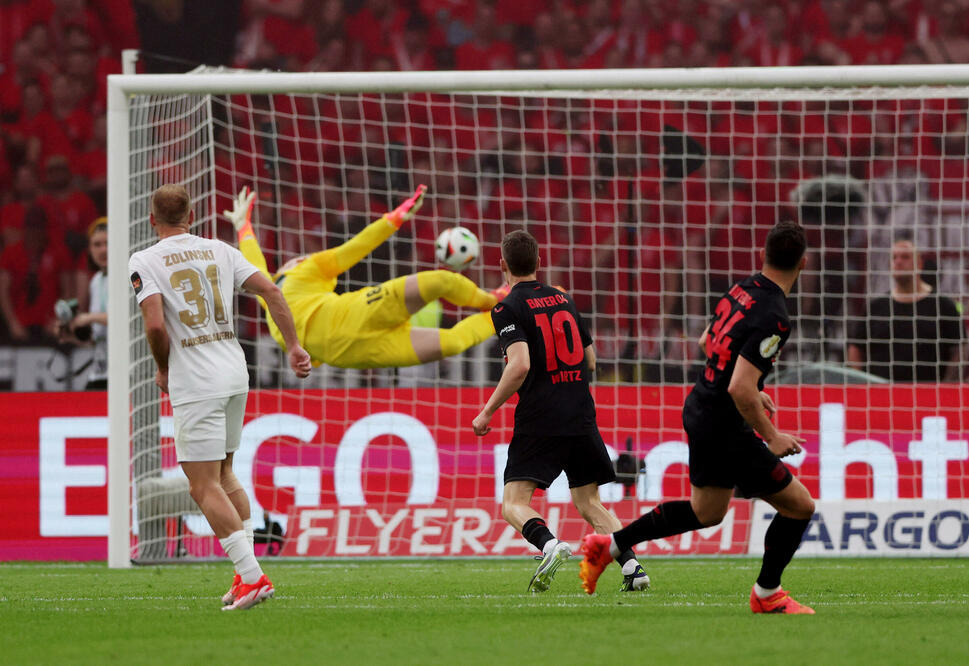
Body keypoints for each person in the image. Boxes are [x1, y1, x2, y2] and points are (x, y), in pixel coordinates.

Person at [579, 221, 816, 614]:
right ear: (804, 264)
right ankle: (767, 593)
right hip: (726, 424)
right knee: (799, 506)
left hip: (702, 407)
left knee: (707, 511)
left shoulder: (741, 289)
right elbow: (740, 388)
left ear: (763, 255)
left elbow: (708, 342)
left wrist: (751, 388)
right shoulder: (775, 315)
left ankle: (612, 544)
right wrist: (771, 435)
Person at [129, 184, 311, 610]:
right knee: (226, 475)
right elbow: (273, 291)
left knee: (202, 485)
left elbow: (155, 326)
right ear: (191, 216)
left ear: (152, 219)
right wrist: (294, 347)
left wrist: (162, 366)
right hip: (234, 371)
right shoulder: (220, 249)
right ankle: (243, 574)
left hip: (195, 379)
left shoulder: (145, 260)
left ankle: (252, 577)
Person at [472, 230, 650, 593]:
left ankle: (549, 544)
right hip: (580, 412)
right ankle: (632, 567)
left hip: (541, 415)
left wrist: (487, 411)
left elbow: (519, 365)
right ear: (539, 263)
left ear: (502, 265)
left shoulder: (506, 308)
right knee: (588, 501)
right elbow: (591, 360)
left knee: (513, 503)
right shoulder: (563, 298)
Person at [227, 184, 504, 370]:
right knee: (454, 342)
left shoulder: (271, 297)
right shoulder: (304, 270)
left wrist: (244, 227)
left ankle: (494, 299)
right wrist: (395, 217)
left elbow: (255, 263)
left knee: (441, 282)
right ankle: (503, 311)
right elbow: (358, 246)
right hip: (361, 352)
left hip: (360, 313)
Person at [847, 239, 962, 382]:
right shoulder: (876, 307)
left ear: (919, 264)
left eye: (905, 257)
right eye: (894, 257)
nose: (898, 262)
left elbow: (958, 350)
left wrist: (946, 387)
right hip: (880, 396)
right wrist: (859, 383)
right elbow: (856, 347)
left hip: (928, 396)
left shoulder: (943, 306)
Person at [57, 217, 109, 389]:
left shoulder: (129, 274)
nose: (103, 250)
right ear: (90, 249)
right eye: (97, 244)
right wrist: (71, 336)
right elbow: (98, 338)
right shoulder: (95, 281)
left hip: (125, 373)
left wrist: (87, 318)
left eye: (107, 243)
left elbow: (128, 320)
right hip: (99, 372)